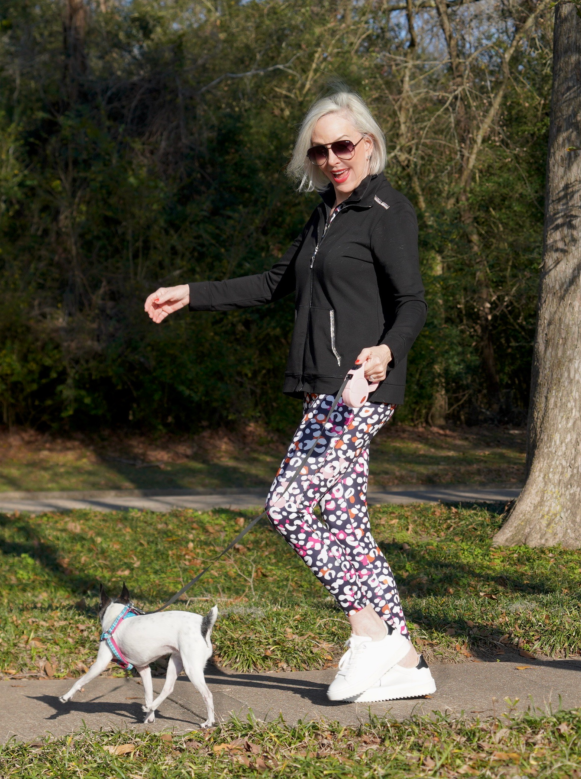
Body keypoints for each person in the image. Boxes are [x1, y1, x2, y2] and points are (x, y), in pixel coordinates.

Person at [144, 91, 431, 703]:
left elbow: (412, 302)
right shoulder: (325, 216)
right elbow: (276, 283)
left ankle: (368, 630)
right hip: (321, 390)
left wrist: (386, 351)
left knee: (289, 505)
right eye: (320, 150)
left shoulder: (387, 211)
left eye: (343, 146)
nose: (332, 158)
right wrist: (191, 292)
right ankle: (405, 659)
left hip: (357, 387)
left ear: (369, 145)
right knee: (349, 524)